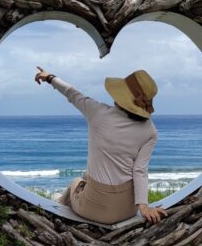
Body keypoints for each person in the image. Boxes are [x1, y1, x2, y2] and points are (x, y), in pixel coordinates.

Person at [35, 66, 168, 225]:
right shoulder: (150, 130)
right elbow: (140, 170)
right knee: (86, 180)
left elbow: (72, 93)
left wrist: (50, 77)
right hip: (128, 209)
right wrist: (144, 206)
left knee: (76, 183)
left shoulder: (98, 112)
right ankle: (62, 202)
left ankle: (57, 208)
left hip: (94, 209)